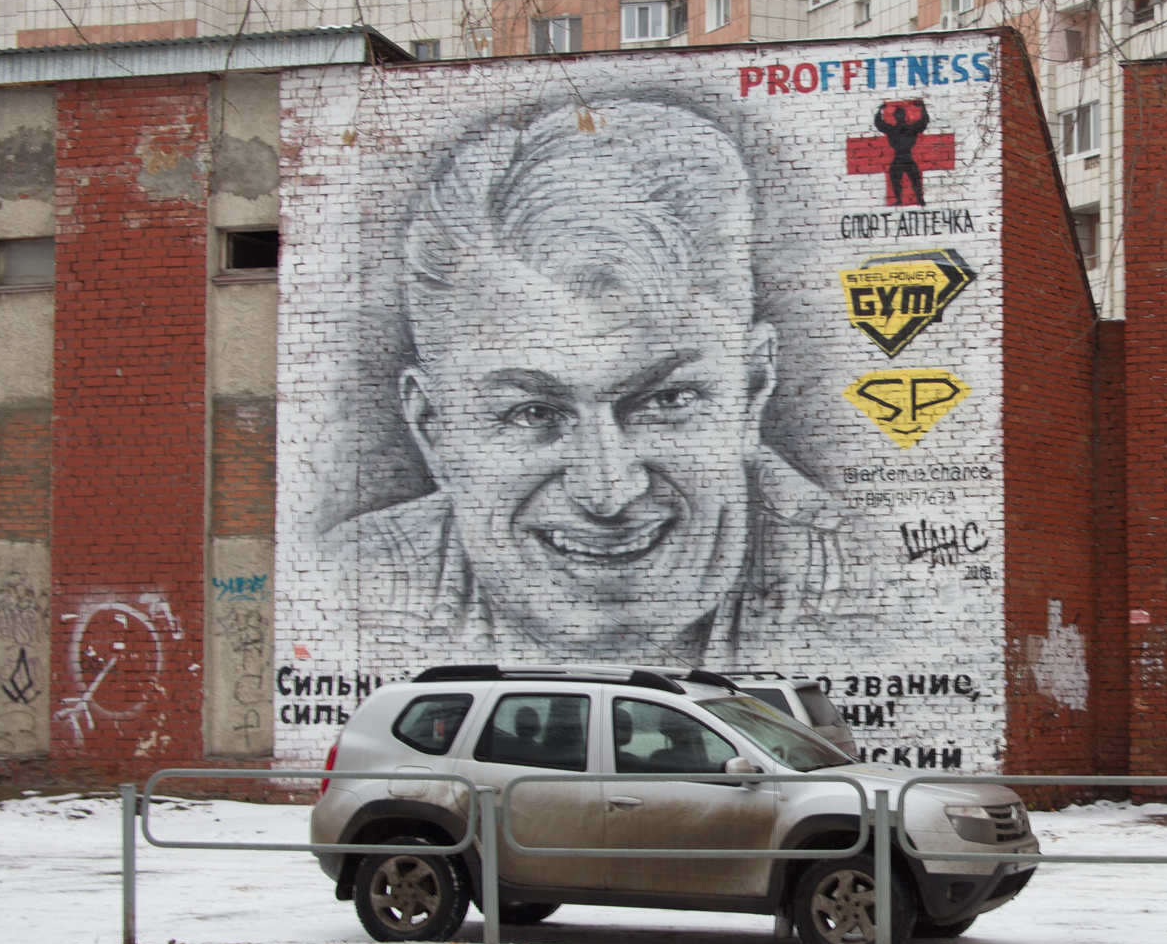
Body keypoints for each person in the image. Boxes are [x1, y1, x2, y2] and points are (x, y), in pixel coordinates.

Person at [330, 97, 845, 665]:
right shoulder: (345, 577)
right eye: (532, 413)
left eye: (666, 400)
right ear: (433, 429)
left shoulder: (881, 583)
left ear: (751, 394)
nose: (607, 493)